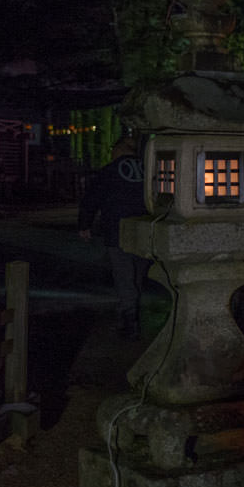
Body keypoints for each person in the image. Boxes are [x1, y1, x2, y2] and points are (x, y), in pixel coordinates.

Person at [77, 135, 149, 339]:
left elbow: (91, 198)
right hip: (144, 229)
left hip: (117, 229)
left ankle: (129, 322)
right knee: (137, 275)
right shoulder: (147, 168)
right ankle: (130, 314)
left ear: (117, 150)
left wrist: (85, 225)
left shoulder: (109, 171)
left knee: (123, 275)